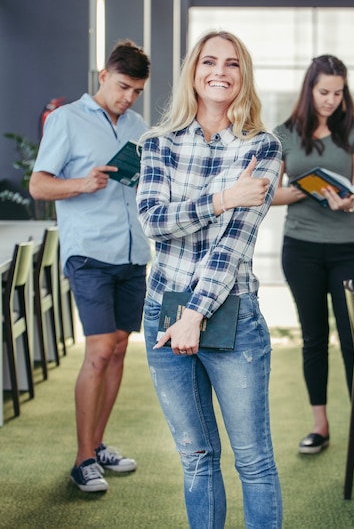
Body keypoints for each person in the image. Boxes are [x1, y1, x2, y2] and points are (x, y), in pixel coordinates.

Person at [136, 30, 283, 528]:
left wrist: (194, 315)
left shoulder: (262, 147)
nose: (220, 71)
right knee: (196, 456)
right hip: (162, 312)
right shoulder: (157, 143)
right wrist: (221, 200)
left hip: (231, 315)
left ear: (244, 76)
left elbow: (235, 242)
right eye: (209, 61)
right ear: (193, 72)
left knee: (253, 461)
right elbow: (154, 221)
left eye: (233, 63)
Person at [29, 40, 152, 492]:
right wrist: (82, 183)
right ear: (103, 75)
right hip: (89, 253)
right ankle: (82, 460)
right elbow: (39, 185)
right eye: (122, 87)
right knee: (99, 350)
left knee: (119, 348)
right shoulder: (66, 120)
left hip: (132, 251)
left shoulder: (139, 126)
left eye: (136, 91)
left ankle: (97, 445)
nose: (128, 98)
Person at [271, 54, 354, 468]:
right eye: (324, 92)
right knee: (313, 338)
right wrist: (306, 190)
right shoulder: (284, 133)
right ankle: (320, 425)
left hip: (349, 246)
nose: (331, 100)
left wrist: (348, 200)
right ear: (309, 89)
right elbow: (271, 193)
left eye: (338, 93)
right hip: (301, 247)